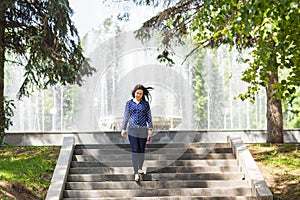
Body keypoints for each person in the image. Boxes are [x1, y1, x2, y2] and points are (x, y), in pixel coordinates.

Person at [120, 84, 153, 182]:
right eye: (137, 93)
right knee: (135, 150)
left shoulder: (145, 104)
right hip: (132, 130)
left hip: (143, 130)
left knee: (141, 150)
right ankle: (135, 173)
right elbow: (126, 116)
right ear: (134, 93)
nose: (139, 95)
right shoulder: (129, 103)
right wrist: (123, 128)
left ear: (143, 95)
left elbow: (149, 117)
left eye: (141, 94)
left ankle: (140, 168)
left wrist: (150, 128)